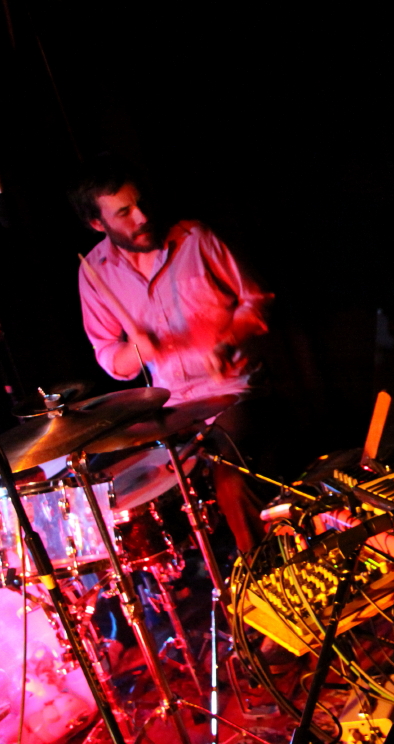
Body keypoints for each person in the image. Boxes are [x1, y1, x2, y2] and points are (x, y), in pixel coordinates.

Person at [70, 155, 274, 553]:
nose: (142, 217)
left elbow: (258, 300)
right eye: (124, 212)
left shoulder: (195, 238)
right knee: (108, 487)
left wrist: (228, 339)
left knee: (230, 479)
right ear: (97, 223)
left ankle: (264, 570)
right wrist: (136, 351)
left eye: (141, 203)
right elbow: (108, 354)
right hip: (172, 408)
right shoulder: (94, 273)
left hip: (236, 392)